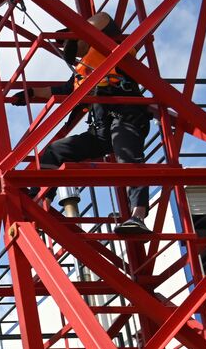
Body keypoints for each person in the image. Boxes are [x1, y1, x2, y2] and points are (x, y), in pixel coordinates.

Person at [11, 12, 154, 234]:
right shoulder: (80, 72)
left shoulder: (109, 45)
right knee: (56, 150)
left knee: (128, 156)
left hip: (126, 116)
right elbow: (60, 90)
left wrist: (75, 33)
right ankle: (38, 197)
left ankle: (138, 216)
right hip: (99, 131)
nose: (66, 46)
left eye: (68, 41)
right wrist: (30, 93)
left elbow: (103, 18)